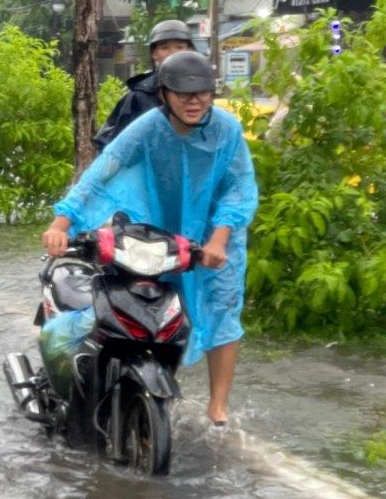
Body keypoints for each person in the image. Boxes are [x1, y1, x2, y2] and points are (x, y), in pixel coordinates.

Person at [42, 51, 258, 425]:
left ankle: (218, 404)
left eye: (203, 93)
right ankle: (148, 385)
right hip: (161, 227)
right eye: (183, 94)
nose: (195, 102)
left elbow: (239, 187)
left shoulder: (227, 130)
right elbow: (102, 171)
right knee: (149, 300)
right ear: (164, 94)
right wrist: (61, 223)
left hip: (215, 236)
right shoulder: (147, 128)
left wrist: (220, 238)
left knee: (222, 306)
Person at [93, 19, 195, 153]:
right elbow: (110, 144)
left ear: (190, 50)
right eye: (165, 48)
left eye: (179, 47)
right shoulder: (139, 96)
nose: (172, 53)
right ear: (154, 54)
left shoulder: (200, 90)